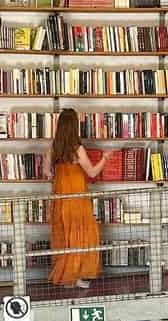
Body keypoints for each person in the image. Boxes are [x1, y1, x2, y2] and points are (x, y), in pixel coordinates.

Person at [46, 108, 114, 289]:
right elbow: (92, 172)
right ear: (74, 126)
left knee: (64, 235)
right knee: (81, 234)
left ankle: (66, 275)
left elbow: (47, 172)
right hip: (77, 196)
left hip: (60, 197)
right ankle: (76, 275)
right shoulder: (77, 148)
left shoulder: (54, 147)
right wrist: (105, 159)